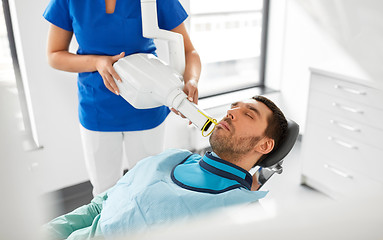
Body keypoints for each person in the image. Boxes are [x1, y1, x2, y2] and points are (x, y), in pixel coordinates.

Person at [42, 96, 288, 240]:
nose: (231, 112)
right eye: (234, 106)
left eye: (249, 114)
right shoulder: (173, 157)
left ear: (265, 145)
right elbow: (99, 206)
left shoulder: (240, 212)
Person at [43, 0, 201, 196]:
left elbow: (189, 51)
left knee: (147, 188)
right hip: (97, 107)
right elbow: (54, 55)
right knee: (104, 192)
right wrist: (98, 62)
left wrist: (191, 81)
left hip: (147, 104)